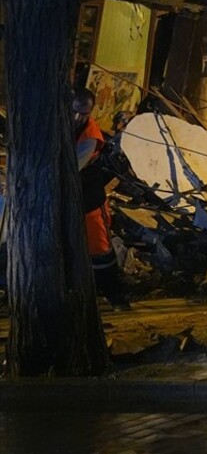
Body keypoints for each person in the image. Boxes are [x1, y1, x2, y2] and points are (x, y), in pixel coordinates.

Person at [72, 88, 129, 310]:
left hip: (90, 200)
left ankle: (116, 296)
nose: (78, 118)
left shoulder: (91, 137)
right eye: (75, 111)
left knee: (100, 252)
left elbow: (72, 168)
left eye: (84, 113)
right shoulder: (66, 125)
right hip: (75, 198)